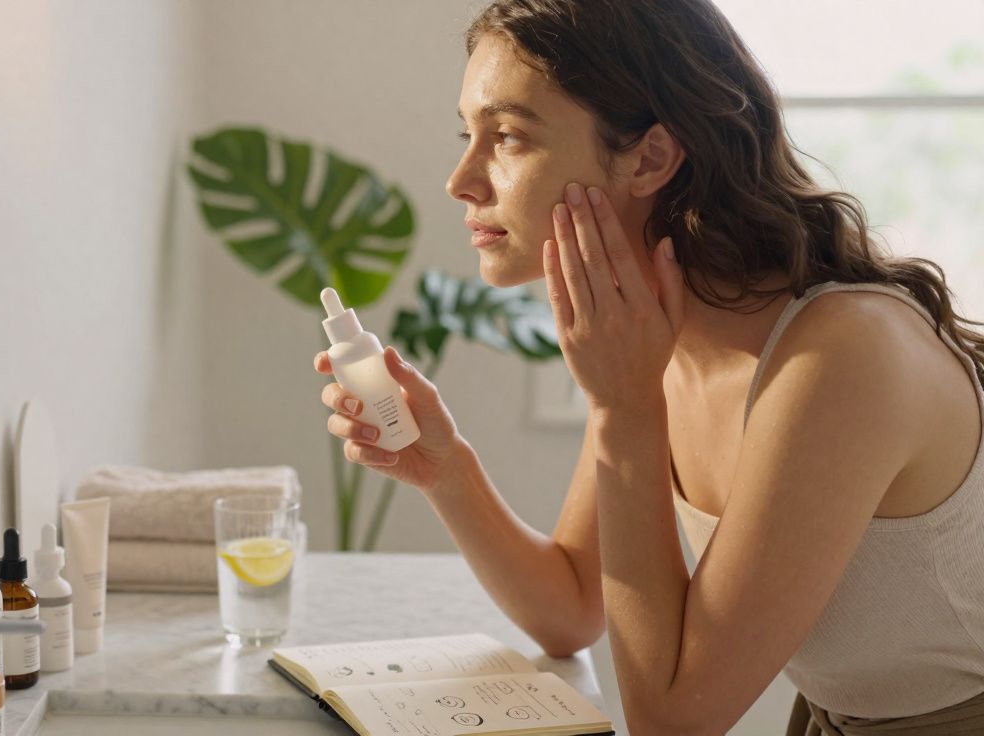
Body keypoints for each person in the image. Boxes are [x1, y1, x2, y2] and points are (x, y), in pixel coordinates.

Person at [313, 1, 984, 733]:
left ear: (652, 158)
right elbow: (572, 607)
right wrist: (447, 469)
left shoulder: (844, 356)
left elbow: (672, 721)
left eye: (506, 136)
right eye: (466, 134)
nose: (462, 179)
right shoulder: (659, 340)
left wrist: (623, 408)